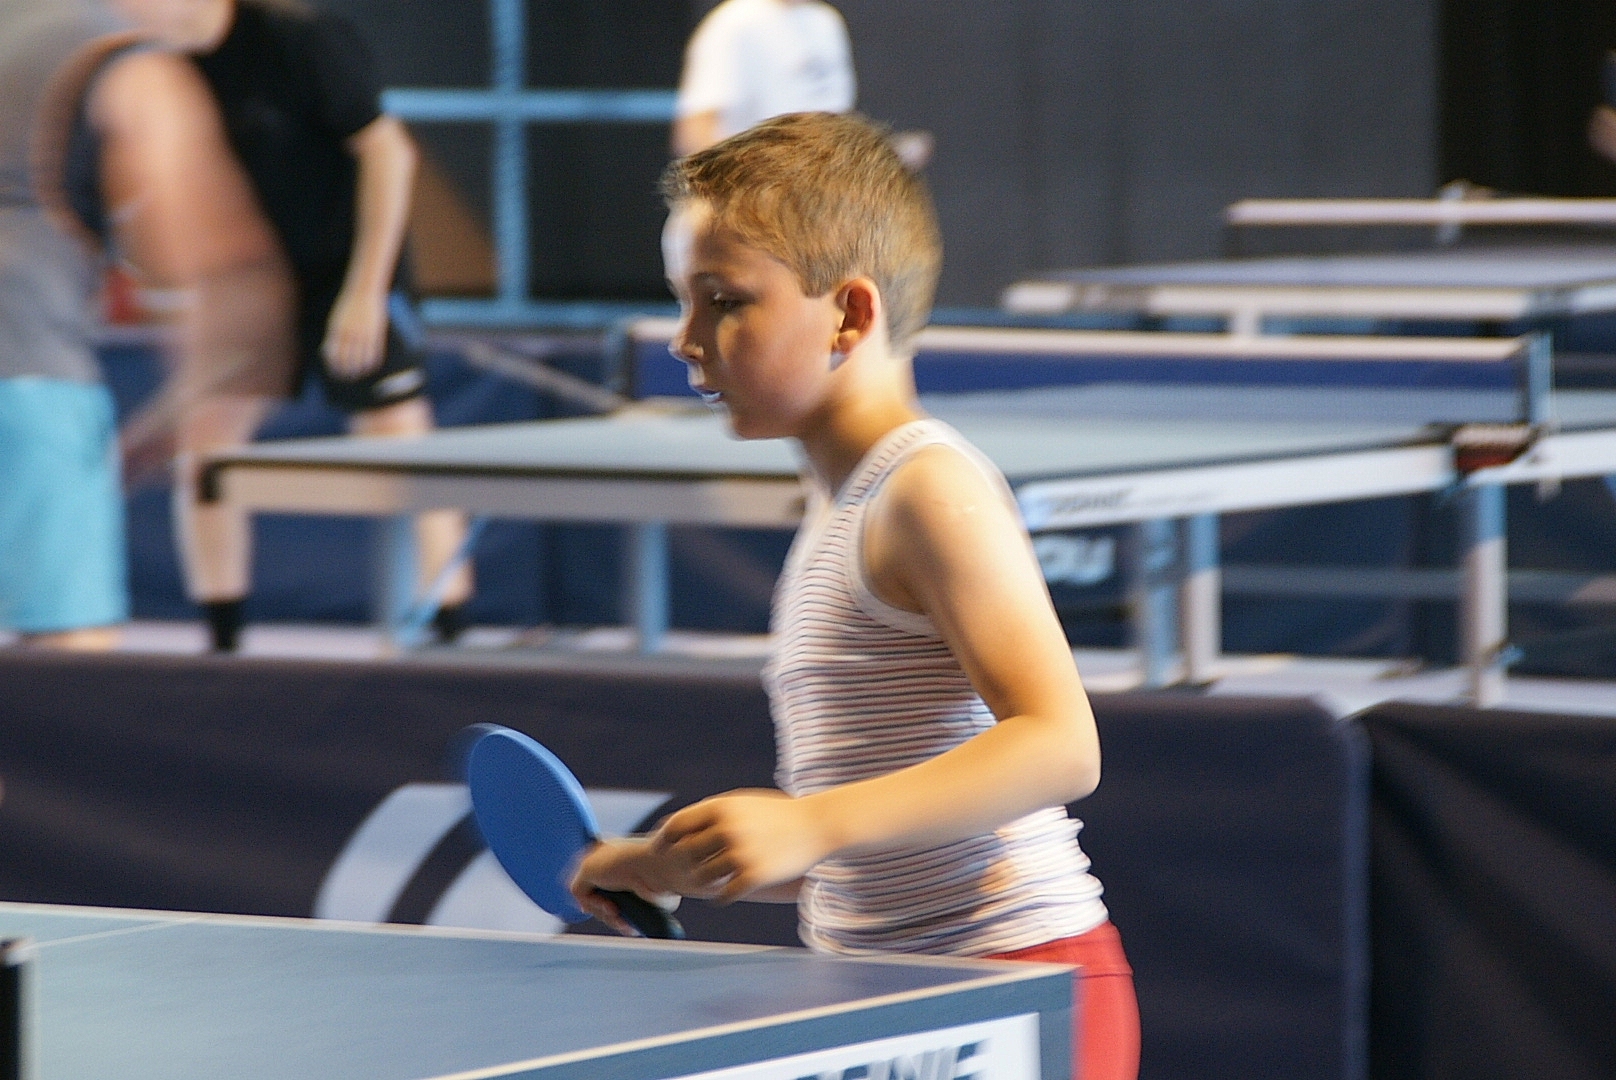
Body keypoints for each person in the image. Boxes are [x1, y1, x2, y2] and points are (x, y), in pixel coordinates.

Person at [572, 113, 1140, 1080]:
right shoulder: (840, 506)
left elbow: (1060, 743)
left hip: (1019, 985)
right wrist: (665, 864)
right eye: (683, 302)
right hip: (898, 1001)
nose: (685, 340)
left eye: (724, 301)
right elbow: (882, 843)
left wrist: (812, 822)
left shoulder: (927, 488)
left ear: (849, 315)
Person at [109, 0, 472, 652]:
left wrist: (365, 293)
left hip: (348, 268)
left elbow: (389, 155)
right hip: (251, 285)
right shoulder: (156, 72)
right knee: (206, 454)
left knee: (399, 446)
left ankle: (448, 628)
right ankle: (224, 641)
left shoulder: (302, 42)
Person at [1, 0, 291, 650]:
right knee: (66, 654)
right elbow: (207, 253)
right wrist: (184, 404)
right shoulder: (123, 60)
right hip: (24, 365)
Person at [672, 0, 856, 157]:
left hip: (819, 180)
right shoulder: (733, 24)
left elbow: (838, 117)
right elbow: (695, 133)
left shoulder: (826, 21)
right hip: (756, 182)